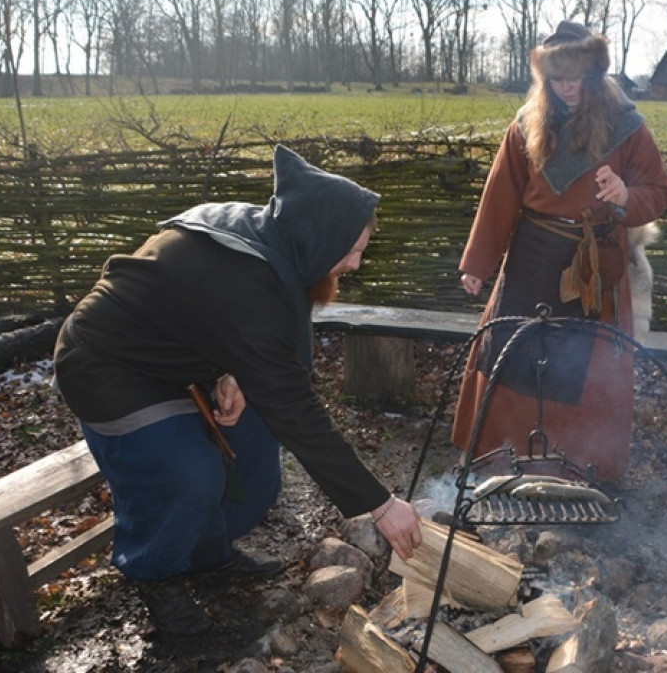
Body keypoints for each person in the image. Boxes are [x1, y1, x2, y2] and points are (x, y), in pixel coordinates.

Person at [53, 145, 422, 635]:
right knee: (189, 474)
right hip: (108, 369)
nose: (354, 264)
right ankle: (156, 575)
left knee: (253, 460)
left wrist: (232, 369)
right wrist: (380, 503)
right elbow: (294, 407)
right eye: (351, 250)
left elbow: (211, 316)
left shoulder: (273, 240)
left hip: (181, 360)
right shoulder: (250, 282)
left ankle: (207, 554)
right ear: (319, 239)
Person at [452, 21, 667, 483]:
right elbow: (501, 196)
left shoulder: (626, 127)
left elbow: (658, 190)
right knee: (511, 359)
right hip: (531, 256)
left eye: (576, 78)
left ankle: (578, 471)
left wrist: (625, 196)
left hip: (596, 268)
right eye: (557, 79)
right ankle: (499, 460)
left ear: (594, 75)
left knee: (586, 377)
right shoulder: (525, 125)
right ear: (545, 78)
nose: (567, 88)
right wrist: (478, 264)